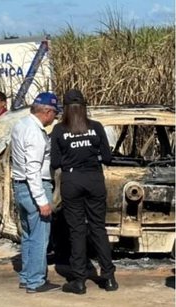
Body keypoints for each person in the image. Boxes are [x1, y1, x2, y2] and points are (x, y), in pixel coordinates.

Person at [50, 89, 118, 295]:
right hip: (94, 179)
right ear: (84, 107)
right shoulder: (96, 127)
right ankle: (109, 278)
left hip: (72, 180)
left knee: (77, 231)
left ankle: (79, 281)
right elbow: (107, 157)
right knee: (98, 228)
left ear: (65, 108)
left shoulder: (59, 130)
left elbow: (54, 162)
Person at [10, 92, 61, 293]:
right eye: (54, 114)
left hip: (20, 186)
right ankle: (36, 281)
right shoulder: (35, 133)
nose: (54, 118)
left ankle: (27, 276)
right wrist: (42, 200)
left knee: (29, 236)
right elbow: (33, 169)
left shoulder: (20, 125)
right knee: (40, 237)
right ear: (46, 111)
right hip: (35, 187)